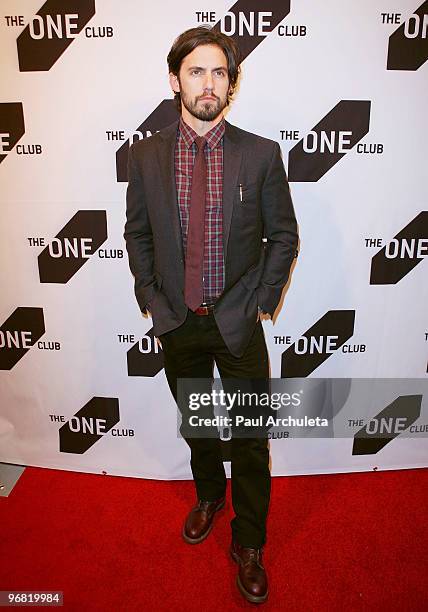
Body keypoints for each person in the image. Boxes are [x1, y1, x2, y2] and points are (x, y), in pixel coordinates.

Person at [124, 26, 298, 604]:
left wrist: (259, 304)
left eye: (219, 72)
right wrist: (152, 297)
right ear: (175, 81)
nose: (208, 83)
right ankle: (207, 496)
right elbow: (138, 233)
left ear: (232, 83)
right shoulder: (145, 156)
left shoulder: (260, 154)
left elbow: (283, 237)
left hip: (238, 324)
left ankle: (249, 541)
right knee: (198, 422)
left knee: (250, 437)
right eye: (196, 72)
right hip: (179, 322)